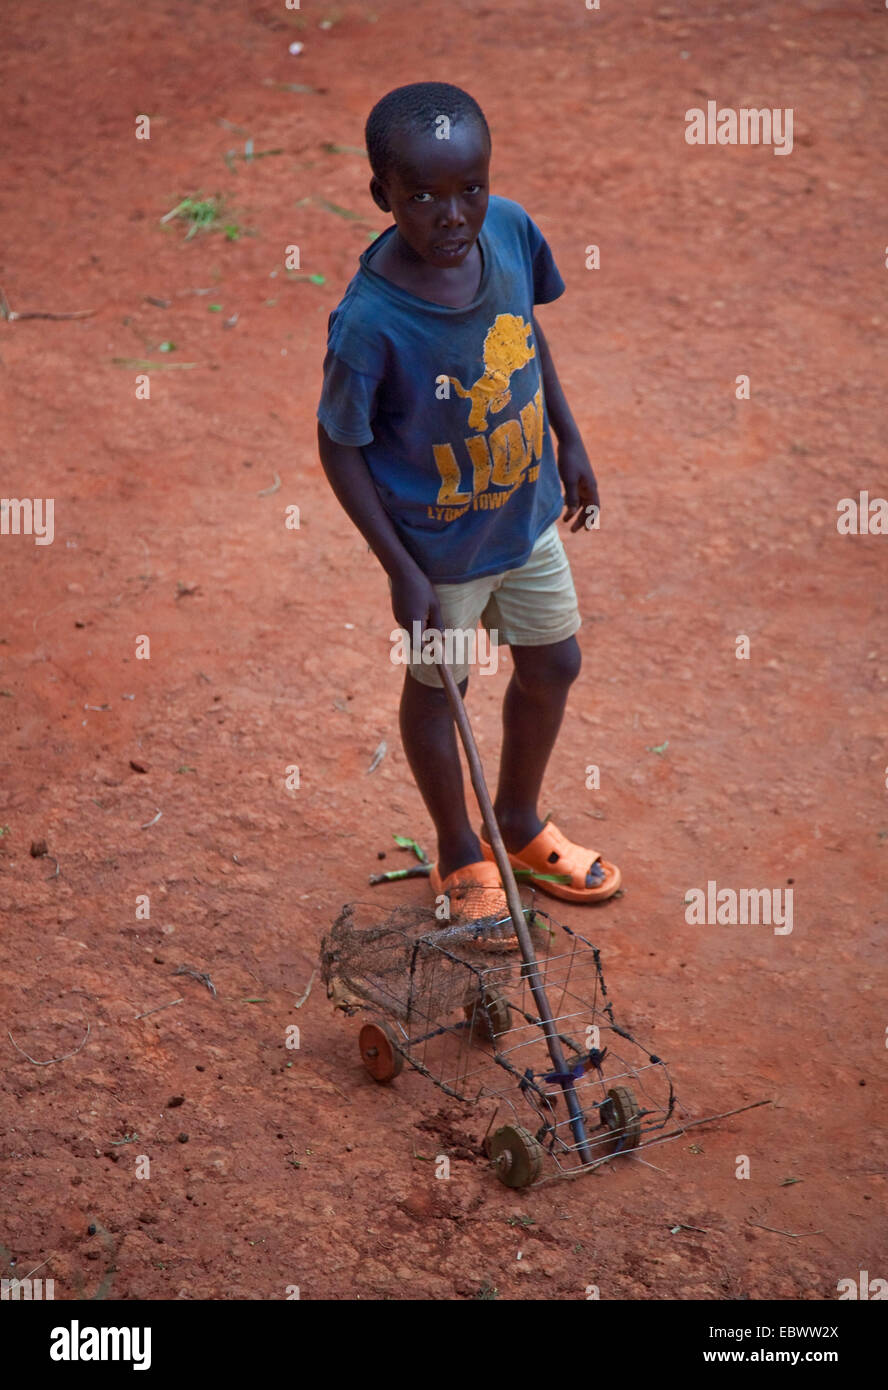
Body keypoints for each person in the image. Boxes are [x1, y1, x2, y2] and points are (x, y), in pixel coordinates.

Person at [317, 82, 621, 931]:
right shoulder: (372, 321)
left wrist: (570, 439)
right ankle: (459, 847)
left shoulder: (512, 232)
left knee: (554, 663)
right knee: (442, 684)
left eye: (470, 190)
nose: (452, 215)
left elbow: (526, 331)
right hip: (439, 550)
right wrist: (399, 569)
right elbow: (339, 442)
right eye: (421, 197)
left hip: (522, 518)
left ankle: (517, 823)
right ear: (382, 195)